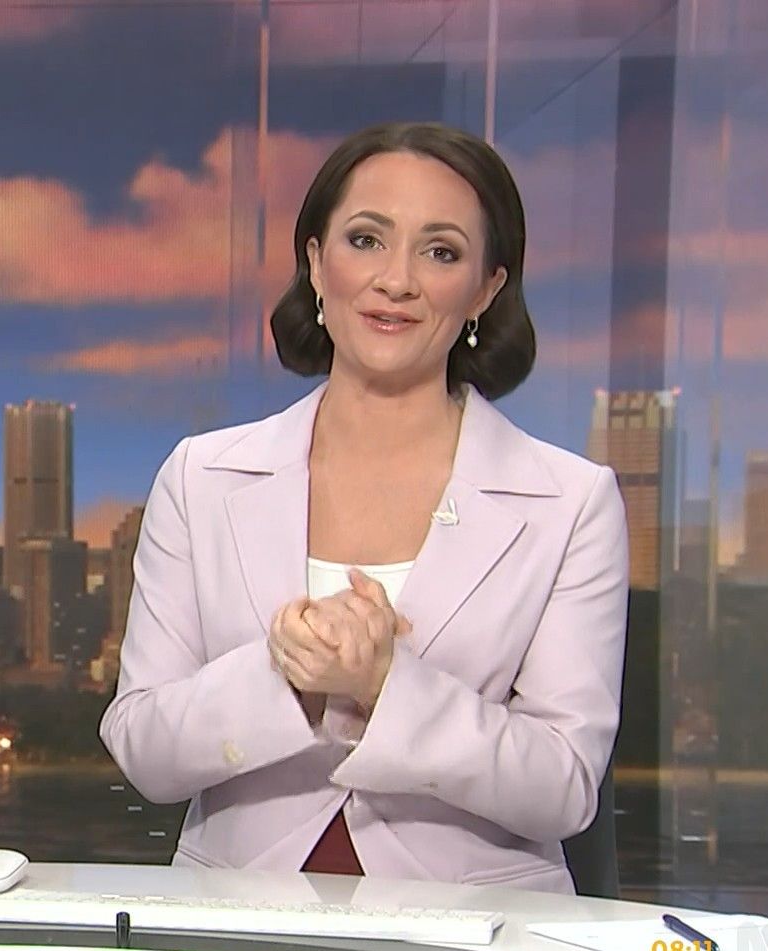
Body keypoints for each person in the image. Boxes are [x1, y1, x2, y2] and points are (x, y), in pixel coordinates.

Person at [100, 122, 625, 894]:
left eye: (440, 252)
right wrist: (286, 679)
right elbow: (143, 749)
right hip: (235, 930)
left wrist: (385, 685)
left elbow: (565, 785)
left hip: (474, 937)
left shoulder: (570, 503)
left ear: (486, 289)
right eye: (366, 240)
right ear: (316, 262)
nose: (396, 280)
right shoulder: (201, 477)